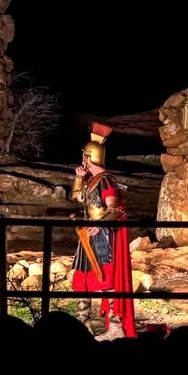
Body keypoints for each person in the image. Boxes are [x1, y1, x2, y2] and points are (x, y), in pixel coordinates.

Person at [71, 123, 136, 339]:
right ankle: (84, 326)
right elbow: (78, 197)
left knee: (106, 281)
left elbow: (114, 208)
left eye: (85, 156)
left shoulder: (106, 180)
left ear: (91, 157)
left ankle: (116, 329)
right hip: (87, 236)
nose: (83, 159)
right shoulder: (91, 180)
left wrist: (99, 225)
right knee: (83, 281)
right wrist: (79, 177)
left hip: (102, 237)